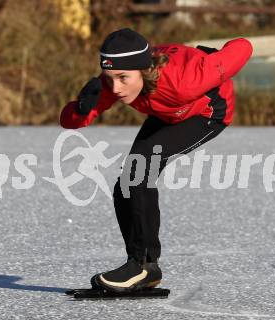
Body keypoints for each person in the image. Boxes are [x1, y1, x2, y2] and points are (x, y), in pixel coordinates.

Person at [60, 28, 253, 293]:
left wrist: (215, 57)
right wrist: (80, 106)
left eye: (123, 78)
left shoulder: (188, 79)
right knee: (126, 183)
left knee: (140, 170)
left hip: (208, 113)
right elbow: (70, 122)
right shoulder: (115, 82)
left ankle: (144, 266)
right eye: (109, 78)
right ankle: (140, 268)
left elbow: (243, 46)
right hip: (168, 114)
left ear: (143, 70)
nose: (116, 88)